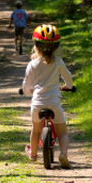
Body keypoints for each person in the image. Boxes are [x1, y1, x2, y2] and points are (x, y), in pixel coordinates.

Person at [21, 24, 73, 169]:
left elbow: (26, 84)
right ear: (56, 46)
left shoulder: (32, 64)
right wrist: (68, 86)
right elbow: (67, 77)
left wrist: (28, 91)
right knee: (62, 132)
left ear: (36, 46)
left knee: (36, 130)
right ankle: (63, 154)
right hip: (53, 102)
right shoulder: (58, 61)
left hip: (37, 103)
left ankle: (33, 154)